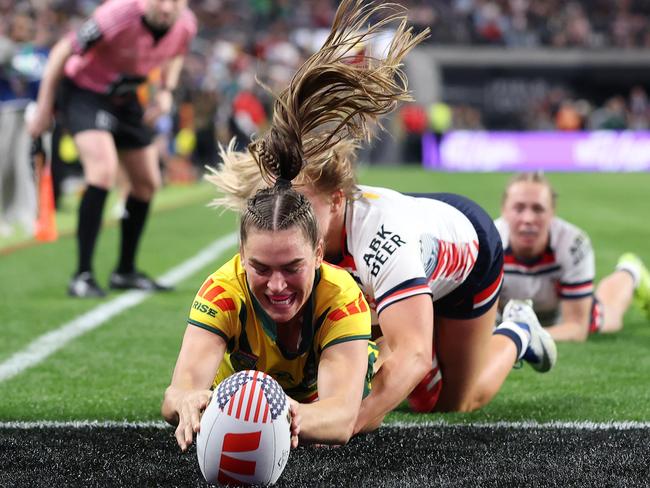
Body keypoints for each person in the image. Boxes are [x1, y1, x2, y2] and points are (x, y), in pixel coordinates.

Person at [206, 0, 557, 433]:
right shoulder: (299, 230)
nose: (288, 214)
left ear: (337, 200)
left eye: (303, 203)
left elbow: (412, 353)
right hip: (401, 251)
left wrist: (349, 424)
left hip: (468, 256)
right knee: (386, 380)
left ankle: (518, 331)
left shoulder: (380, 237)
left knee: (451, 402)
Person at [161, 180, 376, 449]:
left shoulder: (342, 297)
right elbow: (177, 393)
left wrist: (267, 414)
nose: (277, 286)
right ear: (242, 255)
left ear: (318, 253)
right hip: (232, 404)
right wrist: (186, 402)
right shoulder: (222, 292)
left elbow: (340, 420)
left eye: (291, 268)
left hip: (308, 404)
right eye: (261, 268)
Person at [26, 0, 197, 297]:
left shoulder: (186, 24)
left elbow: (176, 54)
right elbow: (62, 52)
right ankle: (82, 275)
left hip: (126, 97)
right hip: (84, 92)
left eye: (176, 2)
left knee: (146, 183)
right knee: (102, 172)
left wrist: (166, 91)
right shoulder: (117, 14)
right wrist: (44, 107)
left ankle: (125, 271)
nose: (167, 8)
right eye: (161, 1)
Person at [496, 171, 650, 342]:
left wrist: (522, 337)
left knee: (610, 318)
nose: (528, 218)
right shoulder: (487, 245)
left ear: (552, 212)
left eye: (538, 209)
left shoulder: (573, 244)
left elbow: (577, 328)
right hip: (508, 315)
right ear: (504, 210)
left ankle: (630, 272)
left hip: (561, 310)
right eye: (519, 208)